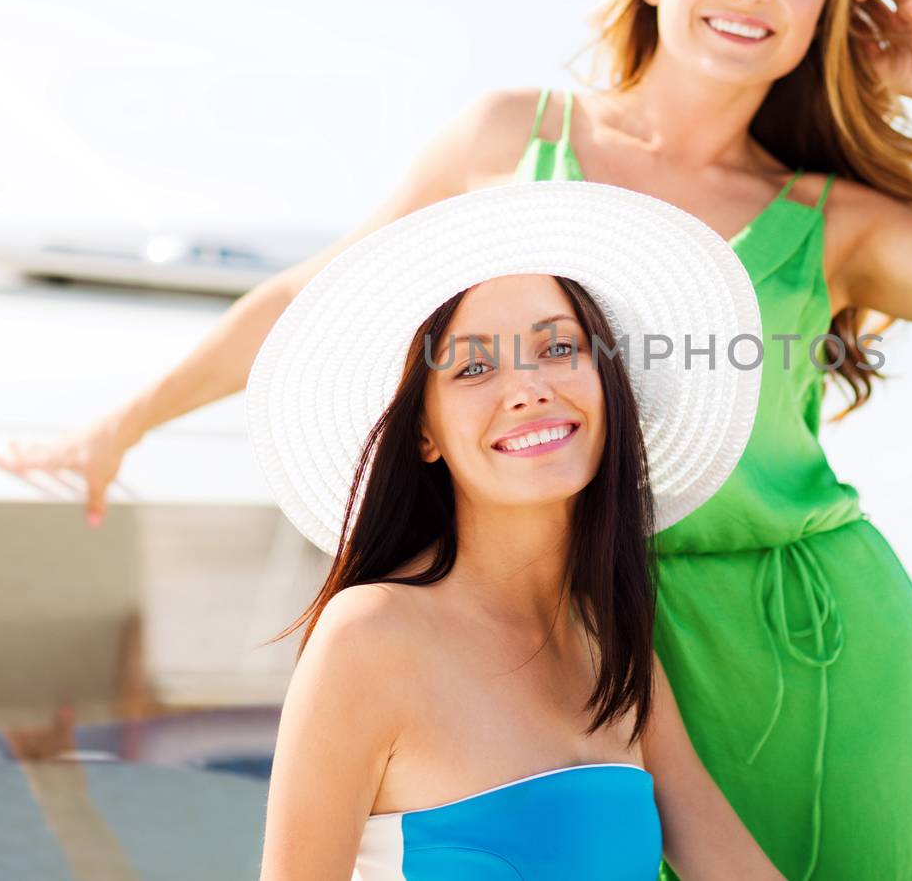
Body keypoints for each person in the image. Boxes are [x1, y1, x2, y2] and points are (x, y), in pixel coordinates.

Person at [0, 0, 912, 880]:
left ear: (833, 6)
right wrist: (125, 421)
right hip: (595, 624)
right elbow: (321, 294)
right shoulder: (512, 138)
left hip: (827, 647)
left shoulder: (829, 219)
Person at [249, 180, 783, 880]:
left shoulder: (616, 640)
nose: (528, 387)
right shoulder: (370, 636)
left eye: (559, 347)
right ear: (424, 431)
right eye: (473, 365)